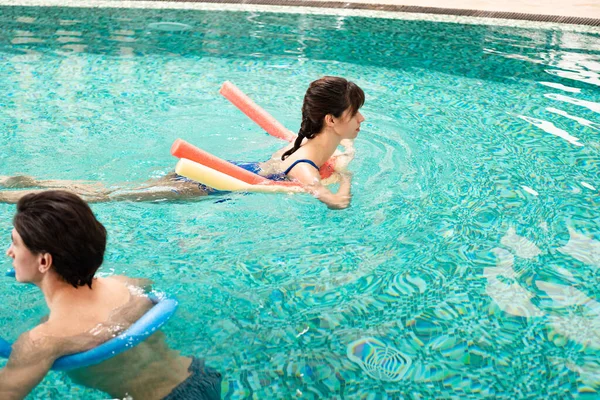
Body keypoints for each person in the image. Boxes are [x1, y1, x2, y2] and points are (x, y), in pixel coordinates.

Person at [0, 76, 365, 209]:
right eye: (356, 112)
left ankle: (27, 183)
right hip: (201, 187)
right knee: (110, 197)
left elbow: (325, 157)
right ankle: (15, 195)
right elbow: (334, 202)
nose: (362, 119)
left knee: (114, 189)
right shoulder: (303, 168)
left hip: (209, 174)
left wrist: (343, 155)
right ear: (331, 120)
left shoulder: (297, 146)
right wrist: (345, 178)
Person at [0, 190, 221, 400]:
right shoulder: (127, 284)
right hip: (201, 376)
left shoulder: (44, 340)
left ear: (44, 261)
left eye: (15, 243)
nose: (9, 252)